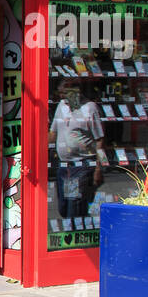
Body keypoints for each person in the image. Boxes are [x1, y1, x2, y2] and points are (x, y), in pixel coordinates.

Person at [49, 79, 105, 219]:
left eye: (64, 93)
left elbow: (100, 140)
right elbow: (53, 133)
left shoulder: (90, 108)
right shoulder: (62, 106)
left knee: (73, 208)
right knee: (63, 206)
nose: (61, 96)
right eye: (60, 93)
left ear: (76, 91)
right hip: (64, 166)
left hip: (80, 166)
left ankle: (75, 234)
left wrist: (99, 168)